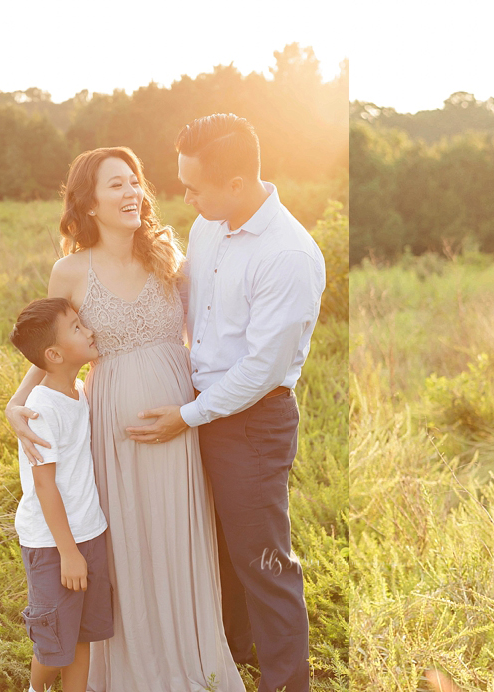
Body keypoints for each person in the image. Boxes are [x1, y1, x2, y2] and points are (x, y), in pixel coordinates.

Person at [6, 147, 244, 691]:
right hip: (110, 425)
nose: (131, 192)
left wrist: (198, 409)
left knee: (176, 533)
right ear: (88, 203)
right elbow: (48, 348)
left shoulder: (168, 256)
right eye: (115, 185)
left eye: (134, 181)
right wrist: (14, 399)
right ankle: (130, 666)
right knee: (126, 542)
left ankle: (188, 656)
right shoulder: (69, 269)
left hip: (179, 419)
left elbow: (202, 334)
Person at [124, 113, 325, 692]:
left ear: (236, 183)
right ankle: (230, 659)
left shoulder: (288, 255)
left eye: (193, 186)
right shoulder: (211, 225)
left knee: (263, 560)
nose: (184, 198)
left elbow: (262, 369)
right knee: (212, 549)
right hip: (197, 405)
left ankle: (287, 683)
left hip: (251, 422)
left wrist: (186, 416)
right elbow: (192, 296)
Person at [9, 297, 112, 692]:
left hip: (89, 532)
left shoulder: (80, 391)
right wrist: (69, 552)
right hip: (54, 545)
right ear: (52, 354)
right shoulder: (41, 409)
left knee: (83, 634)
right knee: (54, 643)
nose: (88, 330)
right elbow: (44, 484)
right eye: (76, 328)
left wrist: (82, 546)